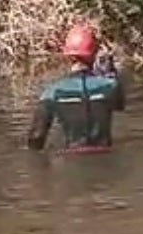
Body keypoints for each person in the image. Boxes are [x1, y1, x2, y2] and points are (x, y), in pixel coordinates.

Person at [26, 22, 125, 152]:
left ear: (68, 56)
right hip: (105, 155)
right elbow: (119, 105)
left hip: (70, 157)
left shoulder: (52, 92)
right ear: (94, 54)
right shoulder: (110, 85)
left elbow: (36, 137)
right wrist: (110, 75)